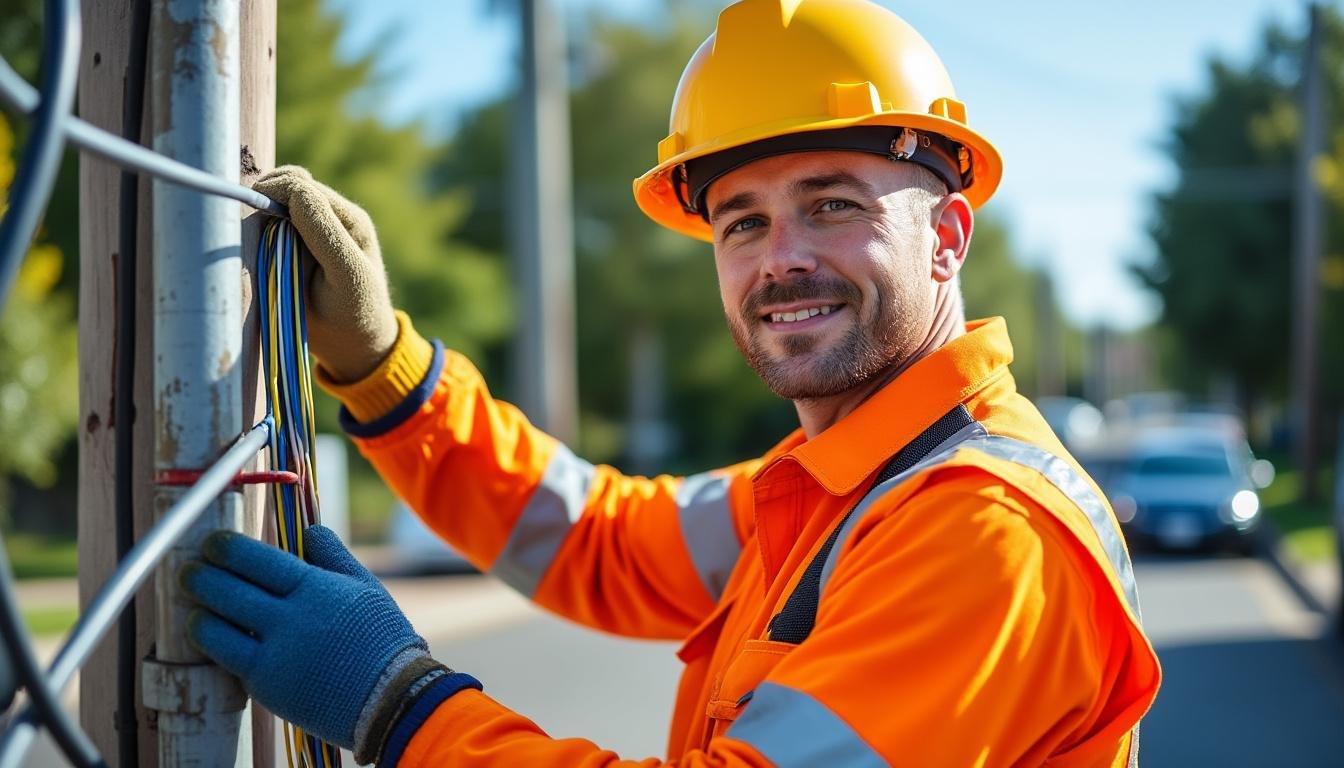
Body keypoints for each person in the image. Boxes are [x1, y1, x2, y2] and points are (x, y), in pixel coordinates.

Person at [180, 0, 1161, 765]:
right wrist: (383, 368)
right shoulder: (836, 490)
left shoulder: (980, 534)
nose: (783, 260)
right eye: (743, 223)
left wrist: (398, 707)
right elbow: (594, 541)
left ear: (946, 239)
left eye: (831, 205)